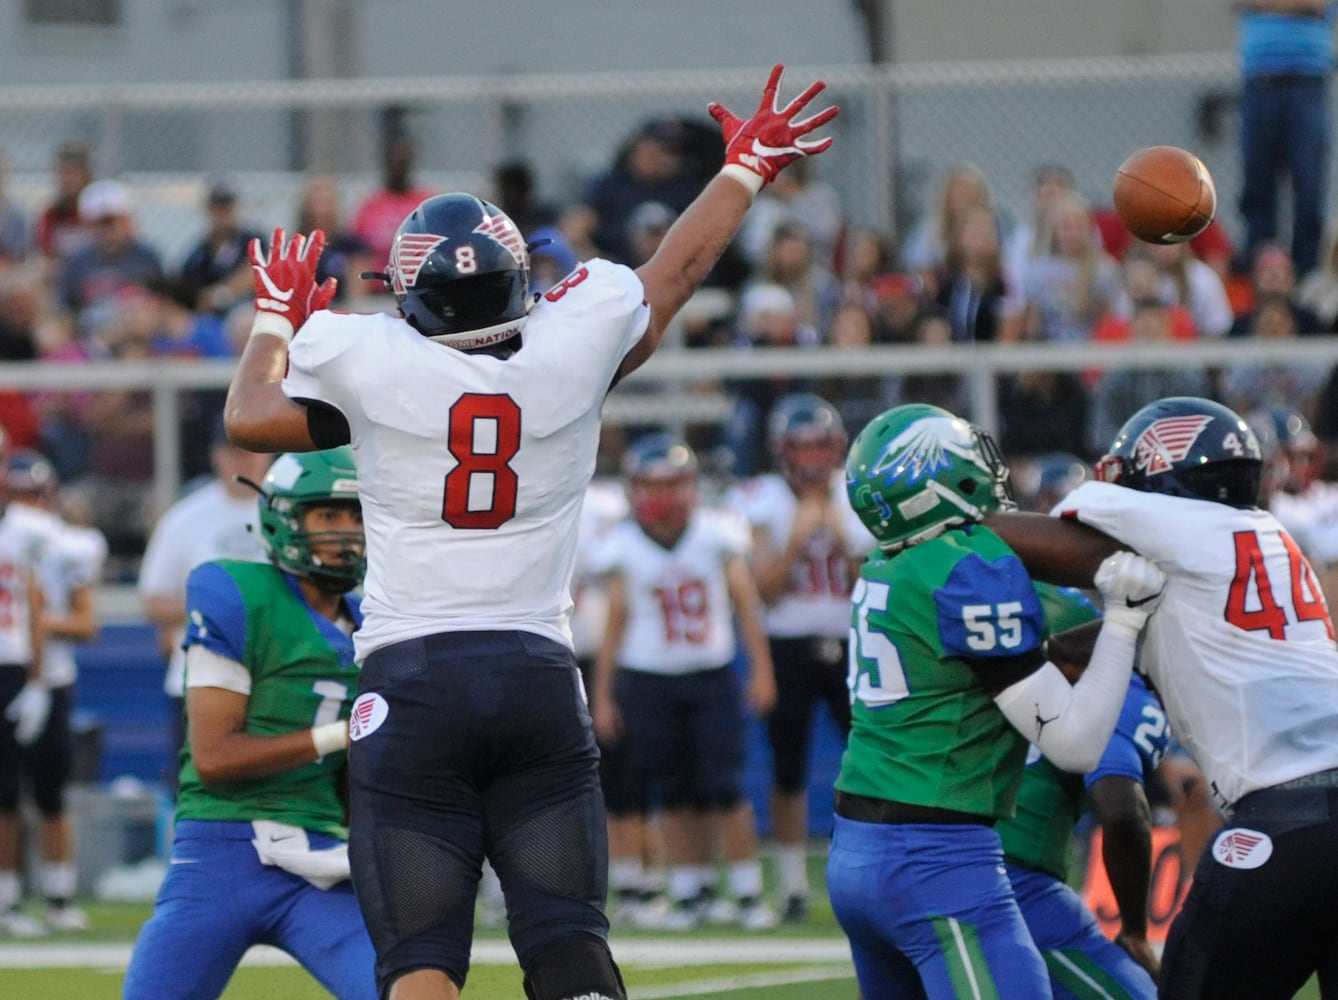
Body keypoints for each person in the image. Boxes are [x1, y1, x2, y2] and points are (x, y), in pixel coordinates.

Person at [222, 64, 837, 1000]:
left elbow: (251, 414)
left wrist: (275, 315)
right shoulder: (573, 342)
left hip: (413, 682)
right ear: (519, 279)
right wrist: (745, 167)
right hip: (536, 678)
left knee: (422, 961)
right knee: (567, 942)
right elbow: (676, 273)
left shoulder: (368, 359)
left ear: (413, 294)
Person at [986, 395, 1338, 997]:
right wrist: (1045, 654)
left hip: (1285, 823)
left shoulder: (1183, 525)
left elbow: (1044, 534)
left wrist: (945, 523)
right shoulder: (1271, 540)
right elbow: (1142, 633)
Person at [827, 402, 1167, 999]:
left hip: (856, 850)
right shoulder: (968, 569)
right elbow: (1076, 743)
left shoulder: (888, 562)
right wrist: (1122, 621)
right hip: (935, 858)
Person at [123, 446, 376, 999]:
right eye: (327, 515)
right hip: (221, 852)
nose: (345, 532)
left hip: (319, 859)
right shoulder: (236, 592)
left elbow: (356, 780)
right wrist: (342, 735)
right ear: (285, 519)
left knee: (410, 986)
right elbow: (214, 759)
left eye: (356, 515)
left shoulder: (377, 620)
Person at [589, 433, 778, 931]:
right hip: (647, 679)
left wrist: (762, 667)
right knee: (671, 792)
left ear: (691, 485)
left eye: (672, 484)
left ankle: (746, 892)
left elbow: (747, 607)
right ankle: (692, 892)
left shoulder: (717, 533)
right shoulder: (623, 544)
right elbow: (615, 625)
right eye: (653, 485)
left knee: (725, 788)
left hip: (709, 675)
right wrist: (604, 695)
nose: (663, 496)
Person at [727, 392, 873, 922]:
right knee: (787, 769)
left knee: (870, 766)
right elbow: (767, 589)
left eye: (820, 447)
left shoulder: (857, 497)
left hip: (853, 643)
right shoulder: (763, 499)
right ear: (782, 451)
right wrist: (796, 540)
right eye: (802, 448)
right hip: (788, 643)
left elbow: (872, 583)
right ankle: (791, 884)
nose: (812, 460)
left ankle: (872, 872)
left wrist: (839, 536)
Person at [998, 586, 1167, 996]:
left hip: (891, 850)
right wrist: (1133, 929)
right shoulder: (1116, 682)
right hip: (1012, 878)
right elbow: (1123, 810)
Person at [137, 424, 274, 794]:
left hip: (274, 673)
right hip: (200, 675)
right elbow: (153, 598)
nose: (243, 459)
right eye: (234, 450)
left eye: (251, 448)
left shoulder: (288, 508)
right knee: (198, 786)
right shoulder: (185, 518)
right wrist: (216, 609)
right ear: (216, 454)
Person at [3, 450, 106, 934]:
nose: (27, 503)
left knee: (50, 793)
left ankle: (58, 897)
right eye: (18, 493)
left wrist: (39, 623)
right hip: (12, 672)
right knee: (4, 794)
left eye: (33, 493)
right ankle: (7, 901)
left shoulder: (66, 544)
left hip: (52, 677)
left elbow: (87, 622)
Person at [1235, 0, 1337, 278]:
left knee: (1309, 185)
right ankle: (1258, 269)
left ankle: (1305, 272)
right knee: (1257, 182)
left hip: (1308, 82)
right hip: (1260, 80)